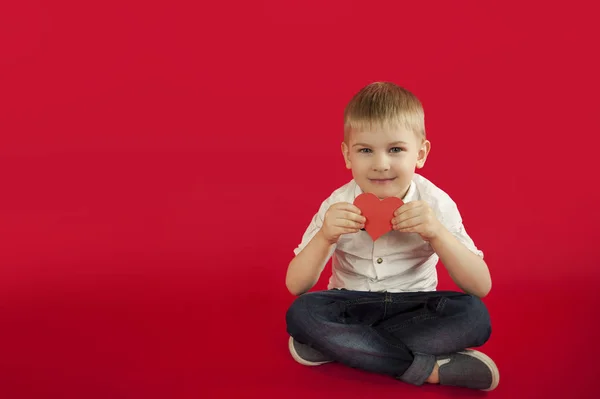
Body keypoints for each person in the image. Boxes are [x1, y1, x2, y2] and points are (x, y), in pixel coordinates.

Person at [285, 82, 499, 391]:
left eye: (395, 149)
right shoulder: (336, 204)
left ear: (421, 153)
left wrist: (437, 233)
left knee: (475, 316)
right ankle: (428, 370)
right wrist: (324, 237)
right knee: (302, 313)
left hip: (415, 307)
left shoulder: (436, 203)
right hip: (350, 304)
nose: (381, 164)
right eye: (366, 150)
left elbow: (481, 285)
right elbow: (296, 285)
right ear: (347, 155)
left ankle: (344, 347)